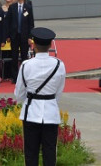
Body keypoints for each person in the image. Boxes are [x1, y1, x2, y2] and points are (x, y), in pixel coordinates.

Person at [15, 27, 66, 166]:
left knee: (31, 153)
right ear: (50, 45)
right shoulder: (59, 64)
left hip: (31, 111)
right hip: (50, 111)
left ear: (33, 44)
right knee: (50, 152)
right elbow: (59, 91)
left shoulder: (26, 65)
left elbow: (19, 94)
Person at [8, 0, 35, 83]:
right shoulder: (12, 7)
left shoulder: (28, 7)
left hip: (24, 36)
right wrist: (8, 36)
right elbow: (8, 22)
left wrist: (30, 37)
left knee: (24, 57)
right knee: (14, 57)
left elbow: (31, 23)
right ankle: (14, 77)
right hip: (14, 36)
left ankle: (24, 76)